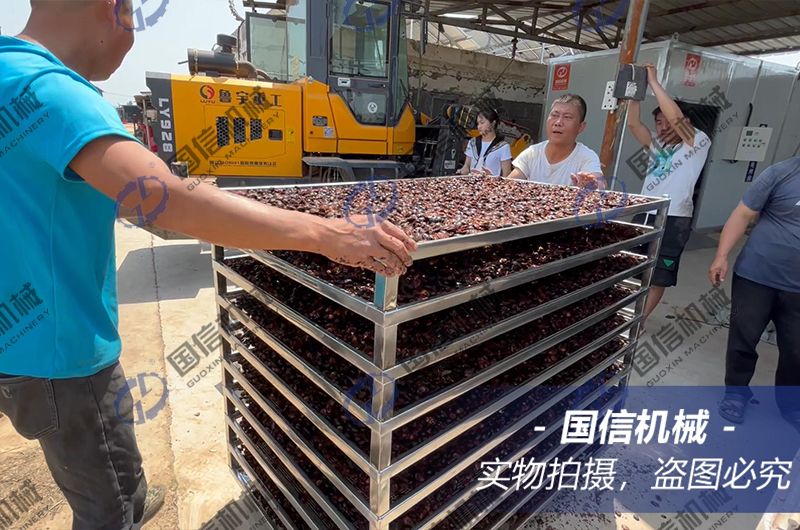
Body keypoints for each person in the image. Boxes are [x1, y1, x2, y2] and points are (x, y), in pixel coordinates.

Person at [0, 1, 416, 529]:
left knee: (111, 463)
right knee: (103, 507)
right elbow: (166, 200)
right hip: (61, 355)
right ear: (113, 8)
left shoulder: (8, 72)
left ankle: (131, 497)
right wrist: (326, 233)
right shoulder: (52, 92)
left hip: (24, 343)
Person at [708, 157, 800, 433]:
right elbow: (743, 214)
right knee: (743, 337)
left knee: (796, 348)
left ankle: (791, 403)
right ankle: (736, 393)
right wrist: (721, 256)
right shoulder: (781, 173)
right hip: (756, 275)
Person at [627, 63, 711, 325]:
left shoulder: (697, 142)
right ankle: (623, 314)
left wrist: (654, 82)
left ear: (685, 122)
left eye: (668, 121)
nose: (663, 127)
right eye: (658, 122)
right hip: (645, 213)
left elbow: (675, 118)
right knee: (631, 266)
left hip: (674, 218)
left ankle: (638, 321)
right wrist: (634, 91)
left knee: (659, 276)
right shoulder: (656, 143)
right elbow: (633, 124)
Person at [508, 94, 604, 190]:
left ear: (581, 127)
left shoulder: (586, 157)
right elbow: (509, 185)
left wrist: (592, 185)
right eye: (554, 115)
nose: (558, 122)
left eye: (567, 117)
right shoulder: (532, 153)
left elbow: (599, 183)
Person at [456, 108, 512, 177]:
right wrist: (461, 171)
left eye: (482, 123)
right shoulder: (472, 142)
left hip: (491, 182)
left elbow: (506, 174)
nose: (479, 126)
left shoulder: (503, 147)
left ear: (493, 123)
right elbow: (467, 166)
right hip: (472, 181)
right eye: (478, 123)